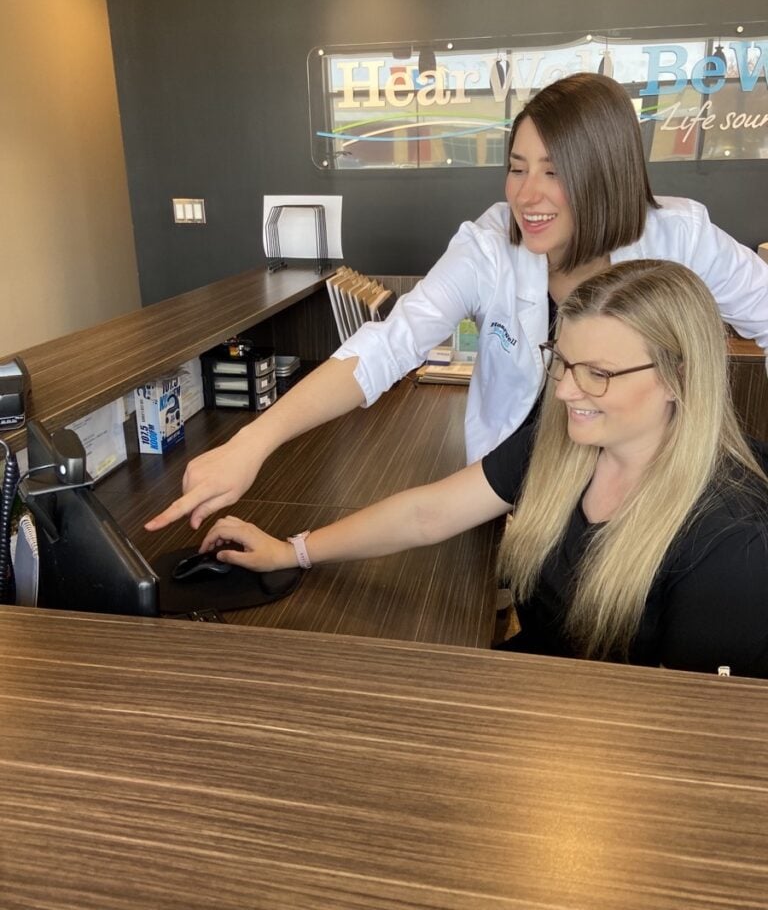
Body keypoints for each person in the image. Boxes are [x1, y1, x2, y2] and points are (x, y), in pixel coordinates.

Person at [146, 72, 768, 533]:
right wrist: (251, 443)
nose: (529, 196)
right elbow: (389, 345)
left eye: (554, 172)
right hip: (516, 489)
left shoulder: (680, 239)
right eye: (517, 168)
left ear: (605, 173)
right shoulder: (489, 247)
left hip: (651, 493)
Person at [198, 261, 768, 676]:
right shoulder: (564, 446)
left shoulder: (730, 542)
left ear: (678, 378)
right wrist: (292, 551)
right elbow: (429, 512)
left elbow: (695, 747)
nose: (566, 390)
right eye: (562, 362)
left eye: (597, 373)